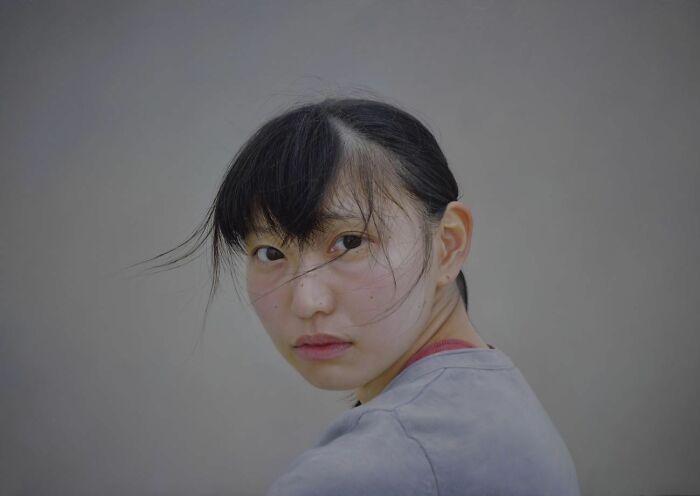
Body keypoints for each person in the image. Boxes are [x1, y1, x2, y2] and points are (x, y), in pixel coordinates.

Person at [145, 98, 580, 495]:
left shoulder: (374, 465)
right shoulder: (494, 401)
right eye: (270, 253)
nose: (306, 301)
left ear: (448, 245)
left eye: (350, 242)